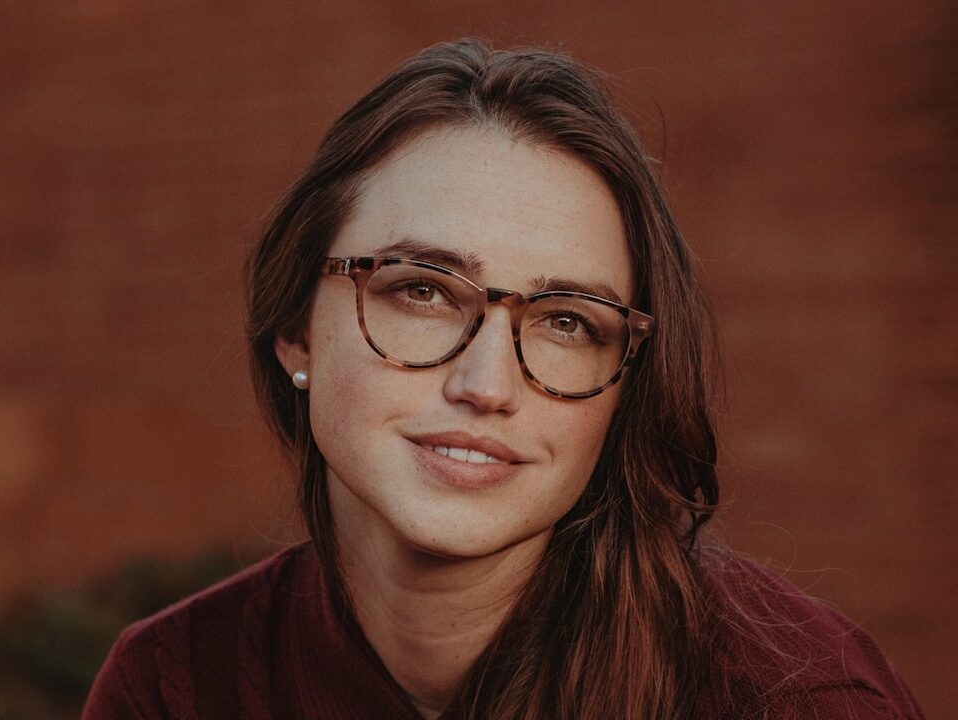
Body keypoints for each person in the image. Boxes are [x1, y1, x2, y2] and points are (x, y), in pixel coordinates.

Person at [83, 38, 924, 719]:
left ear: (628, 381)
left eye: (567, 322)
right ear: (296, 330)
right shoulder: (174, 687)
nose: (487, 384)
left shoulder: (798, 699)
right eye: (421, 290)